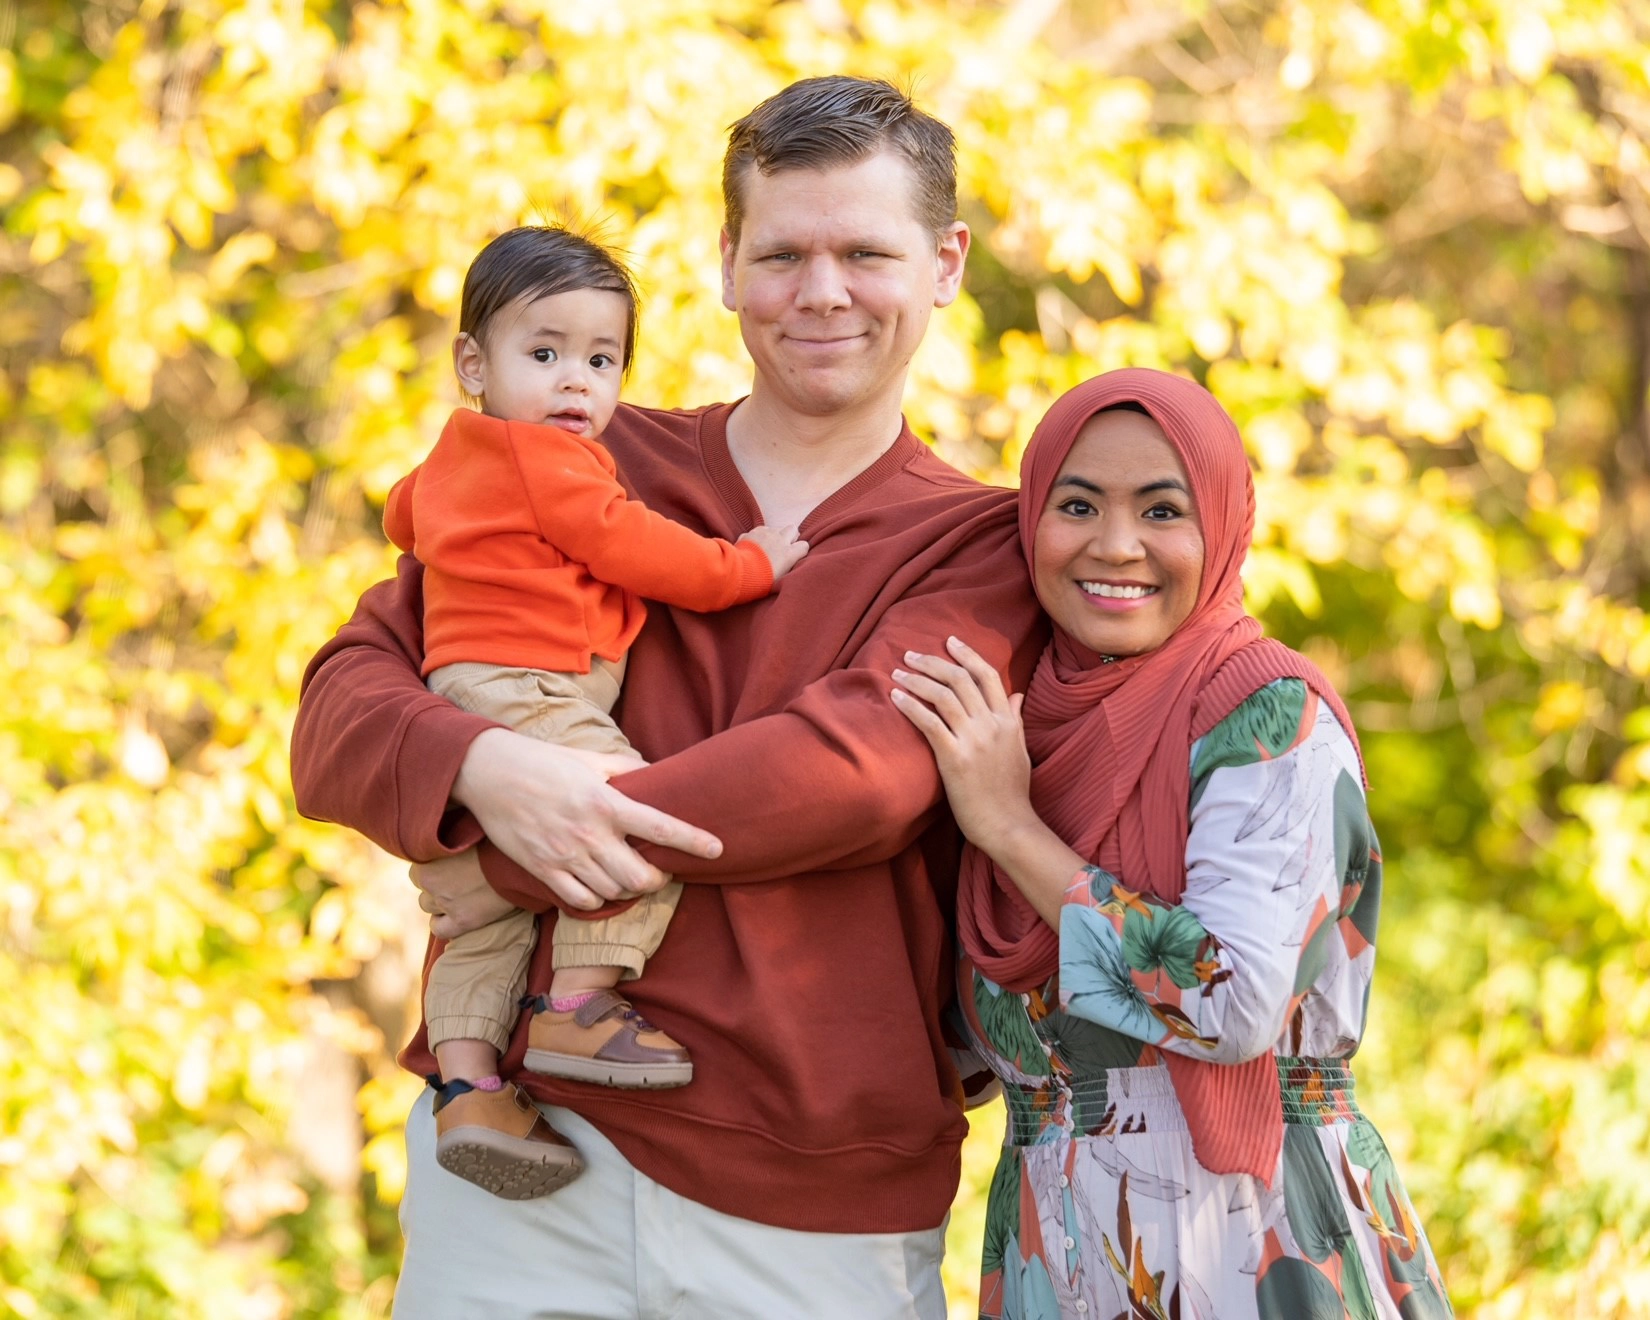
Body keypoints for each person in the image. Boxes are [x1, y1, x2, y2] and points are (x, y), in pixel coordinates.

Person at [290, 76, 1044, 1317]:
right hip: (521, 1151)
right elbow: (340, 711)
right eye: (783, 252)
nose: (822, 293)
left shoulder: (979, 544)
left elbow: (848, 776)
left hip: (812, 1189)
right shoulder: (571, 453)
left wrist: (500, 865)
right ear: (728, 265)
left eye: (865, 252)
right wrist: (486, 771)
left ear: (947, 263)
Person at [891, 368, 1454, 1319]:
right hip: (1056, 1250)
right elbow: (976, 1057)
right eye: (1078, 504)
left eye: (1163, 509)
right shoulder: (1013, 729)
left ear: (1223, 525)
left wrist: (1008, 828)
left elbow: (1233, 1001)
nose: (1117, 546)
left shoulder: (1266, 717)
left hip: (1254, 1239)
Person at [383, 225, 808, 1200]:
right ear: (472, 364)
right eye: (546, 354)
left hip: (463, 692)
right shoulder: (559, 464)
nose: (577, 382)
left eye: (601, 359)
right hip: (538, 688)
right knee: (633, 821)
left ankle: (471, 1083)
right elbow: (641, 552)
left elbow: (402, 520)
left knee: (479, 928)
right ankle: (580, 1001)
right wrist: (753, 562)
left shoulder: (448, 460)